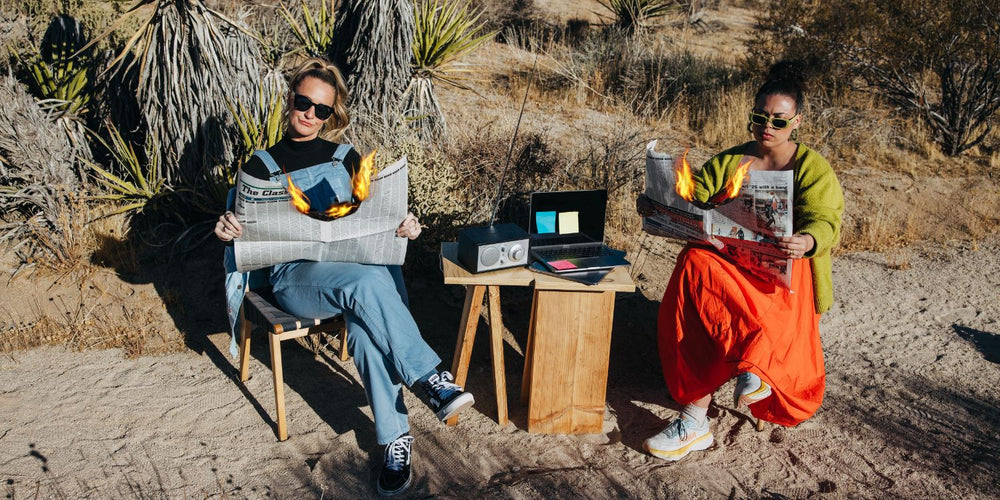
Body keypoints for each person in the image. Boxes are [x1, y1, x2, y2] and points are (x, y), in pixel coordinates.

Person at [215, 57, 474, 496]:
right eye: (304, 103)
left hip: (353, 270)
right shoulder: (260, 166)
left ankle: (395, 440)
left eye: (321, 109)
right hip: (296, 279)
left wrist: (403, 225)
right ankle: (429, 377)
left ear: (330, 114)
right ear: (290, 99)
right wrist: (226, 231)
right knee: (368, 285)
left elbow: (372, 217)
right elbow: (241, 235)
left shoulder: (345, 157)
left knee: (365, 327)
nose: (309, 115)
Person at [636, 61, 844, 461]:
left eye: (779, 121)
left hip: (784, 275)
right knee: (694, 261)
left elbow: (826, 219)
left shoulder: (812, 168)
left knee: (784, 273)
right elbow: (696, 195)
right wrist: (659, 204)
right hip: (735, 265)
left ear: (797, 122)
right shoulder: (732, 160)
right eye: (760, 117)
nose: (767, 127)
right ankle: (695, 420)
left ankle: (754, 367)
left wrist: (807, 239)